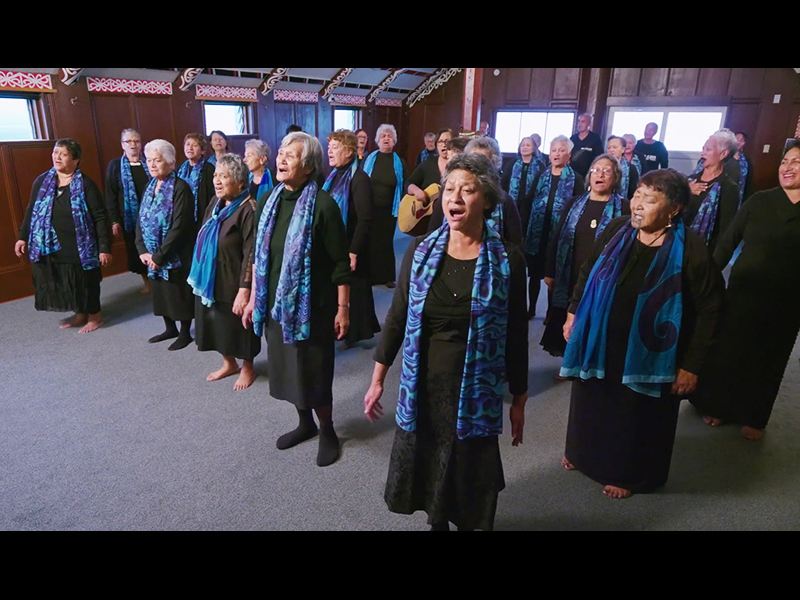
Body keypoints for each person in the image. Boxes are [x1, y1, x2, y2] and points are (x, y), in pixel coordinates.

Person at [364, 153, 529, 532]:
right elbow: (397, 319)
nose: (454, 197)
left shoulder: (508, 260)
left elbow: (516, 334)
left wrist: (518, 398)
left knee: (473, 477)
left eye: (467, 190)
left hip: (476, 389)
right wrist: (377, 378)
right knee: (430, 467)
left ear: (486, 199)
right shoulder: (420, 252)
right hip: (425, 384)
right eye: (449, 188)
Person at [560, 169, 724, 500]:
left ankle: (630, 475)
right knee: (591, 399)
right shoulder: (617, 228)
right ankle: (582, 455)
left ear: (674, 209)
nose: (638, 204)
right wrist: (573, 313)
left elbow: (711, 310)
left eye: (650, 199)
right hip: (600, 338)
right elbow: (588, 270)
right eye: (637, 194)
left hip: (653, 350)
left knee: (635, 413)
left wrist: (691, 365)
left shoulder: (690, 248)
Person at [243, 132, 351, 468]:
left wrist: (343, 308)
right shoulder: (271, 200)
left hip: (311, 309)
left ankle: (328, 429)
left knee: (315, 373)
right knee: (289, 370)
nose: (282, 159)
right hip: (277, 307)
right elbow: (260, 256)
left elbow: (340, 264)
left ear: (308, 167)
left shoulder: (323, 205)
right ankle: (305, 423)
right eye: (282, 153)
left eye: (292, 156)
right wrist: (250, 296)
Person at [690, 141, 800, 442]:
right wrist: (708, 280)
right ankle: (717, 406)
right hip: (744, 292)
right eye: (785, 161)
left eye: (796, 162)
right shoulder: (759, 201)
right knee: (729, 352)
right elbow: (727, 242)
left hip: (788, 300)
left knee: (770, 357)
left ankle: (754, 415)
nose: (787, 167)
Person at [15, 139, 112, 334]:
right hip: (50, 244)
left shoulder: (86, 184)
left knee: (85, 281)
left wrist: (104, 248)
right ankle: (79, 313)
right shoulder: (42, 181)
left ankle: (95, 316)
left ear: (76, 159)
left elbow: (101, 217)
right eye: (55, 152)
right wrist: (22, 237)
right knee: (67, 280)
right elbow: (31, 211)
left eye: (63, 154)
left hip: (80, 245)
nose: (57, 157)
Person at [542, 154, 629, 360]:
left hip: (603, 276)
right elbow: (557, 237)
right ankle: (568, 360)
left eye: (607, 171)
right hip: (571, 272)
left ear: (615, 178)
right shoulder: (574, 203)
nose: (600, 174)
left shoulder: (624, 208)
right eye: (596, 170)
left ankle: (587, 360)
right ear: (589, 176)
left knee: (594, 318)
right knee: (568, 317)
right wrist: (549, 271)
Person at [188, 154, 261, 391]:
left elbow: (252, 254)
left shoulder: (249, 209)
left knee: (240, 326)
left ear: (240, 182)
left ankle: (247, 367)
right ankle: (228, 363)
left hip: (235, 279)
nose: (217, 181)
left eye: (224, 176)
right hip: (211, 277)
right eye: (216, 176)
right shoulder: (216, 203)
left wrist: (244, 290)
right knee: (217, 323)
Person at [136, 140, 197, 352]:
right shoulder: (150, 185)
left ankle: (184, 332)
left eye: (157, 160)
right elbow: (141, 219)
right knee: (160, 294)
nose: (152, 165)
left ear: (171, 163)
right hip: (152, 254)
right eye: (149, 160)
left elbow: (179, 226)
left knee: (178, 294)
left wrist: (159, 256)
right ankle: (169, 328)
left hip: (175, 255)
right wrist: (142, 249)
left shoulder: (181, 188)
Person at [324, 130, 381, 350]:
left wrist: (354, 251)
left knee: (355, 289)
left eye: (335, 147)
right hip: (337, 242)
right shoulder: (333, 176)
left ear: (349, 152)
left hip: (352, 243)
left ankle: (355, 331)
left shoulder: (359, 179)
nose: (330, 151)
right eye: (329, 147)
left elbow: (366, 219)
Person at [525, 135, 586, 320]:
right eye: (553, 150)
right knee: (534, 275)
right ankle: (532, 308)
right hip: (538, 233)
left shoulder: (576, 179)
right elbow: (528, 202)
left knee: (554, 276)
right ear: (549, 154)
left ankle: (552, 313)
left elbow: (580, 207)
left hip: (561, 235)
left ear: (569, 155)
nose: (556, 154)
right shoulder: (541, 176)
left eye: (561, 150)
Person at [105, 129, 152, 294]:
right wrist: (114, 220)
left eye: (136, 141)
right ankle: (147, 281)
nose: (133, 145)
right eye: (128, 141)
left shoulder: (150, 162)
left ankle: (158, 280)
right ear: (122, 145)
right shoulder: (115, 166)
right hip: (130, 218)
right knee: (136, 249)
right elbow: (110, 194)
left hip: (152, 217)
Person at [362, 124, 408, 288]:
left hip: (390, 209)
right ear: (378, 141)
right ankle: (371, 275)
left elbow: (404, 185)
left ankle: (387, 276)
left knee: (386, 242)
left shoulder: (399, 162)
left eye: (389, 136)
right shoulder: (370, 159)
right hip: (370, 208)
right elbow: (362, 182)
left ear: (394, 141)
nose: (386, 139)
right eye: (383, 136)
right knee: (370, 241)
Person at [685, 129, 740, 255]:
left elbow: (725, 231)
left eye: (708, 149)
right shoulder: (689, 181)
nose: (702, 153)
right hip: (678, 245)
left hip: (703, 252)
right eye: (703, 148)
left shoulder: (729, 187)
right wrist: (685, 191)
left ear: (723, 154)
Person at [502, 137, 545, 234]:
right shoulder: (512, 163)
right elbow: (504, 182)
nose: (525, 147)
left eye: (528, 145)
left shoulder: (540, 165)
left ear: (534, 148)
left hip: (531, 204)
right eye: (523, 145)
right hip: (513, 201)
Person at [177, 133, 216, 224]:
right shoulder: (180, 169)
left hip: (201, 217)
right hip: (183, 217)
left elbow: (212, 196)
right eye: (187, 144)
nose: (190, 148)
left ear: (202, 151)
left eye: (194, 145)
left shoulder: (209, 169)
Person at [407, 129, 453, 201]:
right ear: (436, 146)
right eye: (440, 141)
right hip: (425, 211)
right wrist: (416, 191)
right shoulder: (428, 163)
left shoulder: (459, 167)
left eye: (447, 141)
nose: (444, 144)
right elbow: (409, 183)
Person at [570, 114, 604, 179]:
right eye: (579, 121)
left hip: (588, 174)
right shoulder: (573, 139)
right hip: (573, 174)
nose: (580, 124)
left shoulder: (595, 138)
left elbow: (599, 157)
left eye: (583, 122)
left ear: (589, 123)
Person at [733, 131, 754, 203]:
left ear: (744, 144)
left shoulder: (746, 161)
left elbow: (749, 182)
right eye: (736, 139)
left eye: (741, 141)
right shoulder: (723, 157)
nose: (738, 142)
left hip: (739, 196)